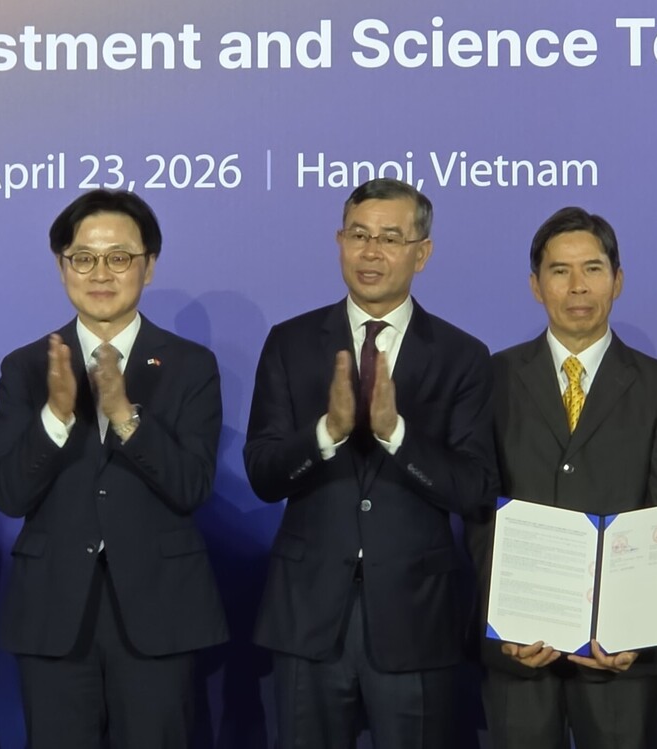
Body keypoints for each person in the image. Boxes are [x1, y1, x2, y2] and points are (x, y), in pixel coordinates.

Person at [244, 178, 497, 748]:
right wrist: (326, 433)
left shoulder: (462, 356)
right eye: (358, 235)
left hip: (415, 619)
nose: (371, 252)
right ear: (340, 242)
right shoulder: (290, 342)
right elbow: (262, 473)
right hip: (308, 618)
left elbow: (474, 488)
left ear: (421, 253)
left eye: (389, 238)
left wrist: (395, 434)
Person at [0, 189, 227, 748]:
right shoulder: (25, 367)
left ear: (149, 265)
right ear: (61, 266)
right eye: (83, 258)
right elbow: (8, 494)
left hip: (157, 612)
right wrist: (55, 417)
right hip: (54, 614)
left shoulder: (190, 365)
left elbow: (192, 486)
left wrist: (125, 416)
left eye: (119, 257)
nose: (100, 273)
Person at [466, 206, 657, 749]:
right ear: (535, 285)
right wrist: (505, 624)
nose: (577, 287)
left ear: (618, 280)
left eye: (592, 268)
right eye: (559, 270)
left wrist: (637, 632)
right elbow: (478, 509)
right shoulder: (492, 377)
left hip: (624, 659)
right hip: (520, 649)